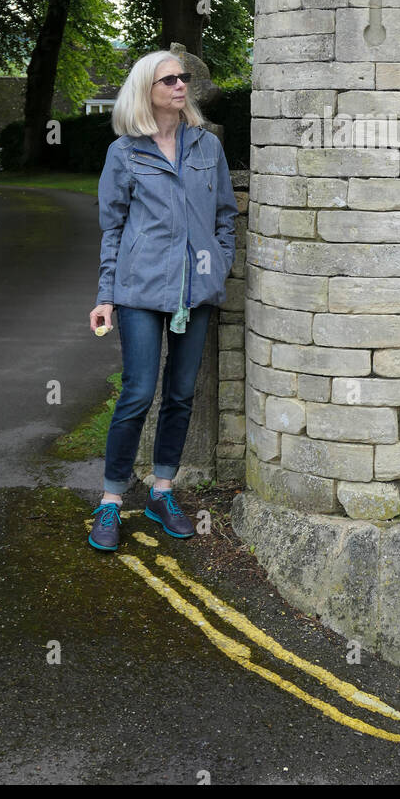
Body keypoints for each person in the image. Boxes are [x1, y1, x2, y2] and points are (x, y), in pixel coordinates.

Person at [86, 51, 238, 551]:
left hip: (196, 291)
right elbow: (113, 228)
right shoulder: (125, 153)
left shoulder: (205, 146)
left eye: (182, 77)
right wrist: (106, 296)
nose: (179, 85)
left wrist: (217, 262)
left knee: (180, 394)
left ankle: (162, 491)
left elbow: (224, 215)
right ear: (145, 91)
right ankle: (110, 501)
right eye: (167, 79)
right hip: (139, 291)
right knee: (138, 392)